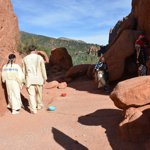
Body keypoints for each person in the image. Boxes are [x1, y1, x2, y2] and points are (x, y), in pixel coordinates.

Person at [22, 45, 47, 114]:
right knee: (39, 93)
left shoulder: (25, 58)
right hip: (39, 78)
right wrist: (45, 78)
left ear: (29, 50)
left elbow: (24, 71)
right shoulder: (40, 58)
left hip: (29, 79)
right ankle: (39, 105)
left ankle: (33, 110)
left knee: (31, 95)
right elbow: (43, 69)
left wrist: (23, 80)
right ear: (35, 50)